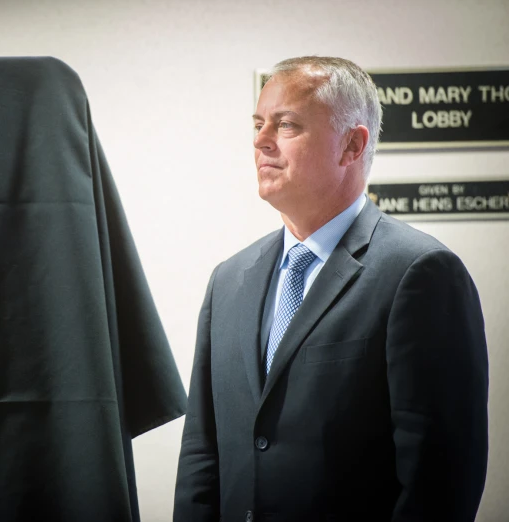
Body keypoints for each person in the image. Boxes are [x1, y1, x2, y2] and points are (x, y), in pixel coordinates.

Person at [173, 56, 489, 522]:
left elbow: (439, 481)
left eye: (286, 125)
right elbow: (202, 453)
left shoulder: (419, 273)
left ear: (351, 145)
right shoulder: (229, 280)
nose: (260, 141)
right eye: (259, 124)